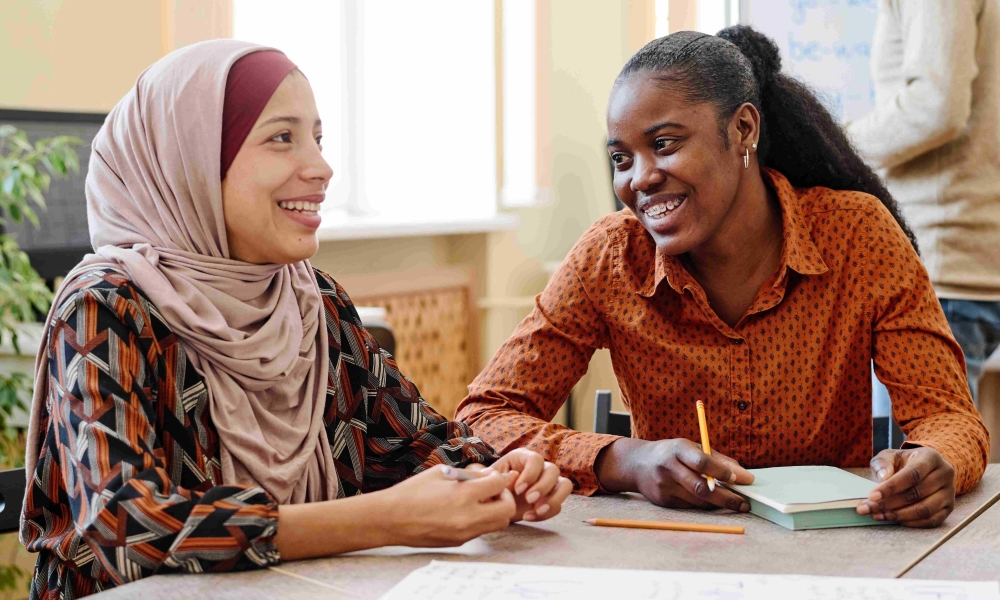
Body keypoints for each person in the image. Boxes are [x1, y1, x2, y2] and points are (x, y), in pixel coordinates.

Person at [20, 40, 571, 599]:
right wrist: (381, 519)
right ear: (191, 161)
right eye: (282, 137)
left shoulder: (314, 300)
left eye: (318, 137)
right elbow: (125, 527)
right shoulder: (108, 306)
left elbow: (421, 446)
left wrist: (505, 475)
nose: (322, 167)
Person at [457, 27, 989, 530]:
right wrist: (625, 459)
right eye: (622, 158)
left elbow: (949, 416)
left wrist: (937, 462)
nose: (638, 178)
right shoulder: (610, 257)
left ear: (742, 130)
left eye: (664, 144)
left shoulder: (857, 234)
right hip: (673, 557)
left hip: (831, 549)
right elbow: (483, 416)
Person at [848, 0, 1000, 404]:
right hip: (966, 260)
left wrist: (837, 145)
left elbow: (935, 107)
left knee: (918, 461)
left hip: (941, 262)